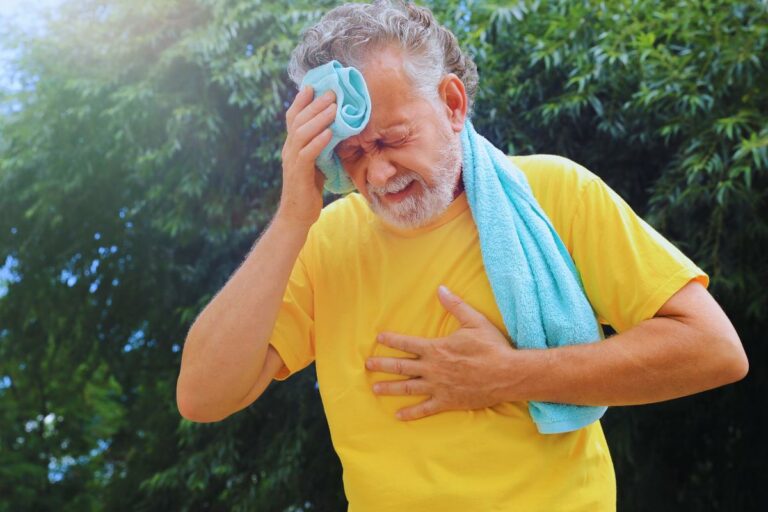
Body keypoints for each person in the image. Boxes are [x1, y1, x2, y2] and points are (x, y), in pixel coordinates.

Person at [176, 1, 748, 510]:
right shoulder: (323, 238)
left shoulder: (554, 192)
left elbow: (712, 349)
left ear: (452, 102)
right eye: (350, 154)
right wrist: (292, 218)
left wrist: (508, 375)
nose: (376, 172)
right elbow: (203, 395)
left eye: (392, 138)